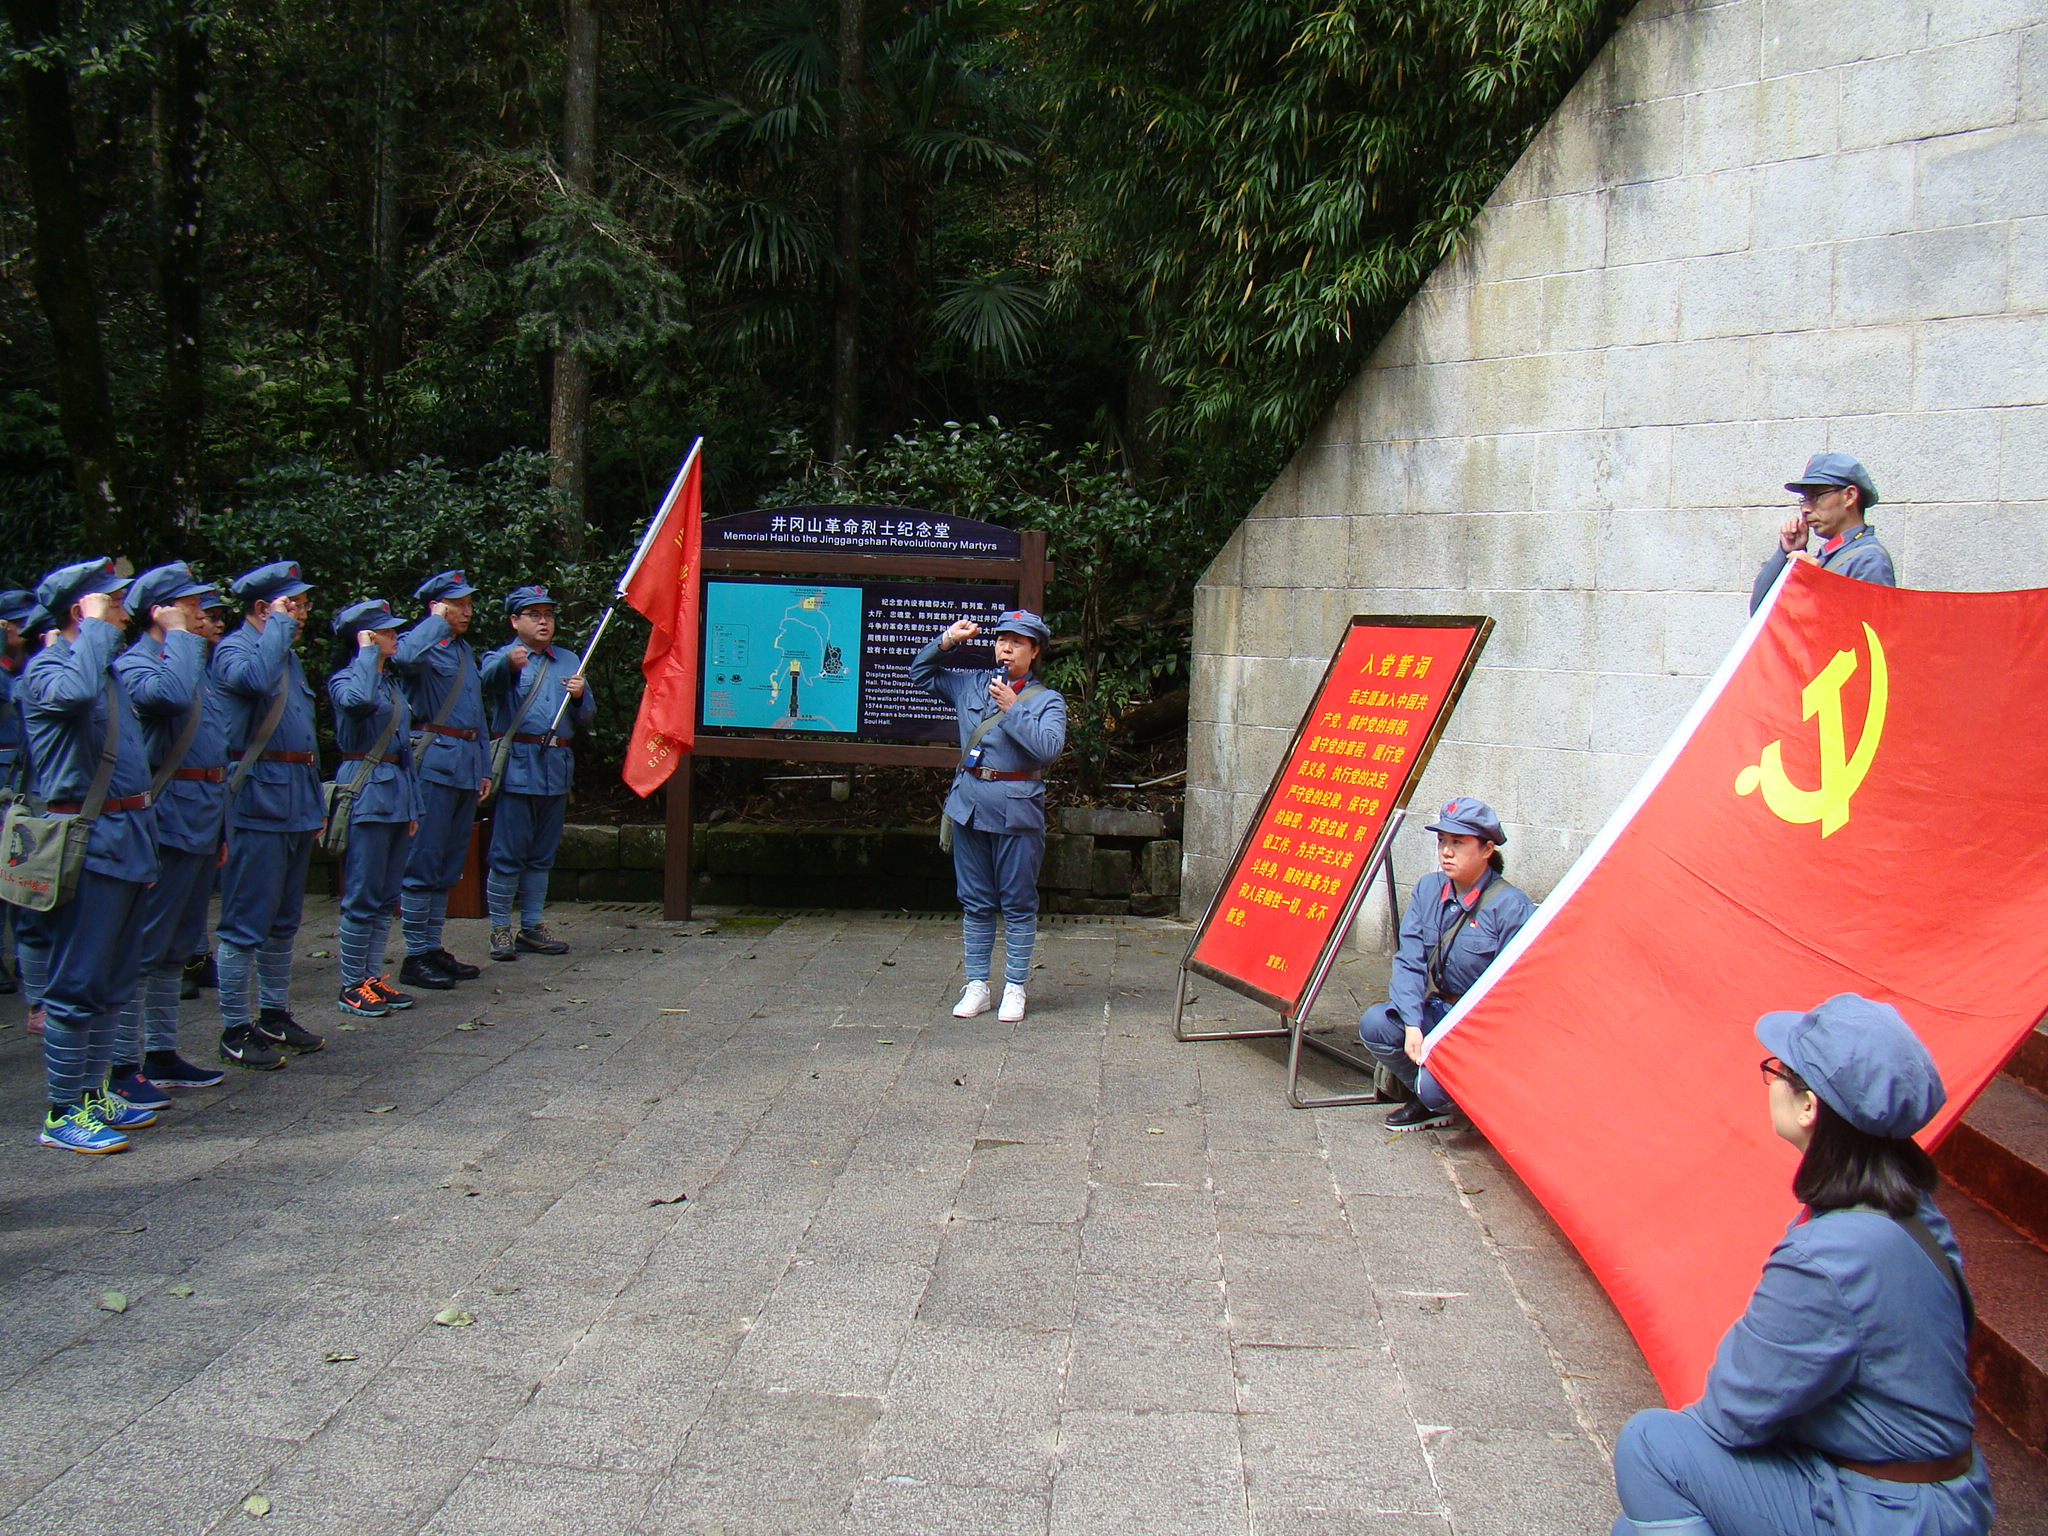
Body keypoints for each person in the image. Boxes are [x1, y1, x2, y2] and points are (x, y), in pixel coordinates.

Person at [1611, 994, 1990, 1536]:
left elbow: (1732, 1411)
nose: (1771, 1082)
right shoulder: (1914, 1213)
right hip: (1943, 1494)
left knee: (1650, 1448)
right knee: (1637, 1523)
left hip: (1887, 1512)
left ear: (1809, 1106)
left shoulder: (1831, 1253)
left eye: (1777, 1071)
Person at [18, 560, 165, 1153]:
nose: (124, 613)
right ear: (82, 610)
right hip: (87, 842)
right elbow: (72, 696)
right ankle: (61, 1111)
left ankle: (92, 1093)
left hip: (126, 836)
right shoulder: (49, 669)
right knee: (76, 981)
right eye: (112, 603)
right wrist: (96, 628)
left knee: (113, 979)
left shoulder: (103, 671)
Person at [910, 608, 1067, 1024]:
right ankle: (977, 984)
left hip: (1017, 811)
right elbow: (920, 674)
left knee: (1017, 901)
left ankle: (1015, 987)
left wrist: (1013, 708)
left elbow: (1049, 749)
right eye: (1002, 640)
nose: (1006, 647)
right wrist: (947, 640)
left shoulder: (1048, 701)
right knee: (975, 900)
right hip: (969, 806)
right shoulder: (971, 684)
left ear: (1034, 651)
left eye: (1017, 642)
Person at [109, 562, 229, 1100]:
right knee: (143, 945)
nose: (200, 613)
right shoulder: (137, 663)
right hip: (168, 814)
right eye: (189, 604)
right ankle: (121, 1064)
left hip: (202, 811)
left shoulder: (189, 662)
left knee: (176, 945)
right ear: (159, 611)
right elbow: (171, 699)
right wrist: (179, 636)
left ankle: (160, 1052)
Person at [1357, 797, 1533, 1132]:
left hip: (1478, 1029)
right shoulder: (1428, 889)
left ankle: (1442, 1095)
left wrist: (1464, 1042)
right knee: (1377, 1023)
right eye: (1442, 841)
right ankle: (1430, 1092)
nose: (1446, 852)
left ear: (1487, 849)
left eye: (1458, 842)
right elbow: (1409, 961)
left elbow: (1514, 995)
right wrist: (1412, 1023)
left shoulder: (1511, 906)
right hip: (1437, 1011)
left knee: (1435, 1091)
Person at [213, 561, 325, 1068]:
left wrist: (316, 802)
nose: (301, 614)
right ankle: (235, 1027)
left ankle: (275, 1013)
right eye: (291, 605)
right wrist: (277, 627)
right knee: (245, 920)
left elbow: (304, 736)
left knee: (284, 920)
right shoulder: (236, 649)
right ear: (263, 608)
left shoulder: (288, 657)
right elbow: (256, 682)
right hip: (258, 801)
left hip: (295, 799)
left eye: (301, 605)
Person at [479, 585, 592, 962]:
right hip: (517, 766)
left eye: (548, 614)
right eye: (534, 615)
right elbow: (490, 681)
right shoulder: (502, 657)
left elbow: (587, 717)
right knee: (507, 852)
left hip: (556, 767)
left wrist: (580, 695)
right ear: (515, 621)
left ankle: (532, 925)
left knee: (542, 854)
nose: (544, 621)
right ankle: (500, 928)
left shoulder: (569, 659)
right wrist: (509, 666)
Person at [390, 570, 488, 990]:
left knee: (448, 864)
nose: (467, 611)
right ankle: (414, 954)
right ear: (437, 607)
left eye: (468, 604)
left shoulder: (463, 650)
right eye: (457, 605)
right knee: (423, 860)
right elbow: (403, 658)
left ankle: (432, 947)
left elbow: (477, 713)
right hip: (433, 763)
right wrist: (434, 622)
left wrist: (484, 766)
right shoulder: (423, 643)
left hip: (464, 764)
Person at [327, 599, 419, 1018]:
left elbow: (404, 750)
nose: (395, 635)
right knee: (362, 892)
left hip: (396, 793)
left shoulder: (389, 683)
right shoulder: (349, 679)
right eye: (385, 631)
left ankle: (370, 976)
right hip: (366, 793)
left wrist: (413, 806)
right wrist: (366, 655)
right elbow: (356, 703)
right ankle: (351, 983)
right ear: (365, 637)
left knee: (385, 895)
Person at [1750, 453, 1896, 614]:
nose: (1805, 509)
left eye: (1815, 497)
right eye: (1805, 499)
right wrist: (1786, 552)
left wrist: (1816, 582)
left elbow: (1865, 627)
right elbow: (1760, 610)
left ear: (1849, 496)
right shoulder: (1833, 553)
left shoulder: (1869, 559)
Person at [0, 587, 33, 998]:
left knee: (25, 873)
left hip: (24, 785)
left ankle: (28, 958)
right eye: (19, 625)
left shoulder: (30, 667)